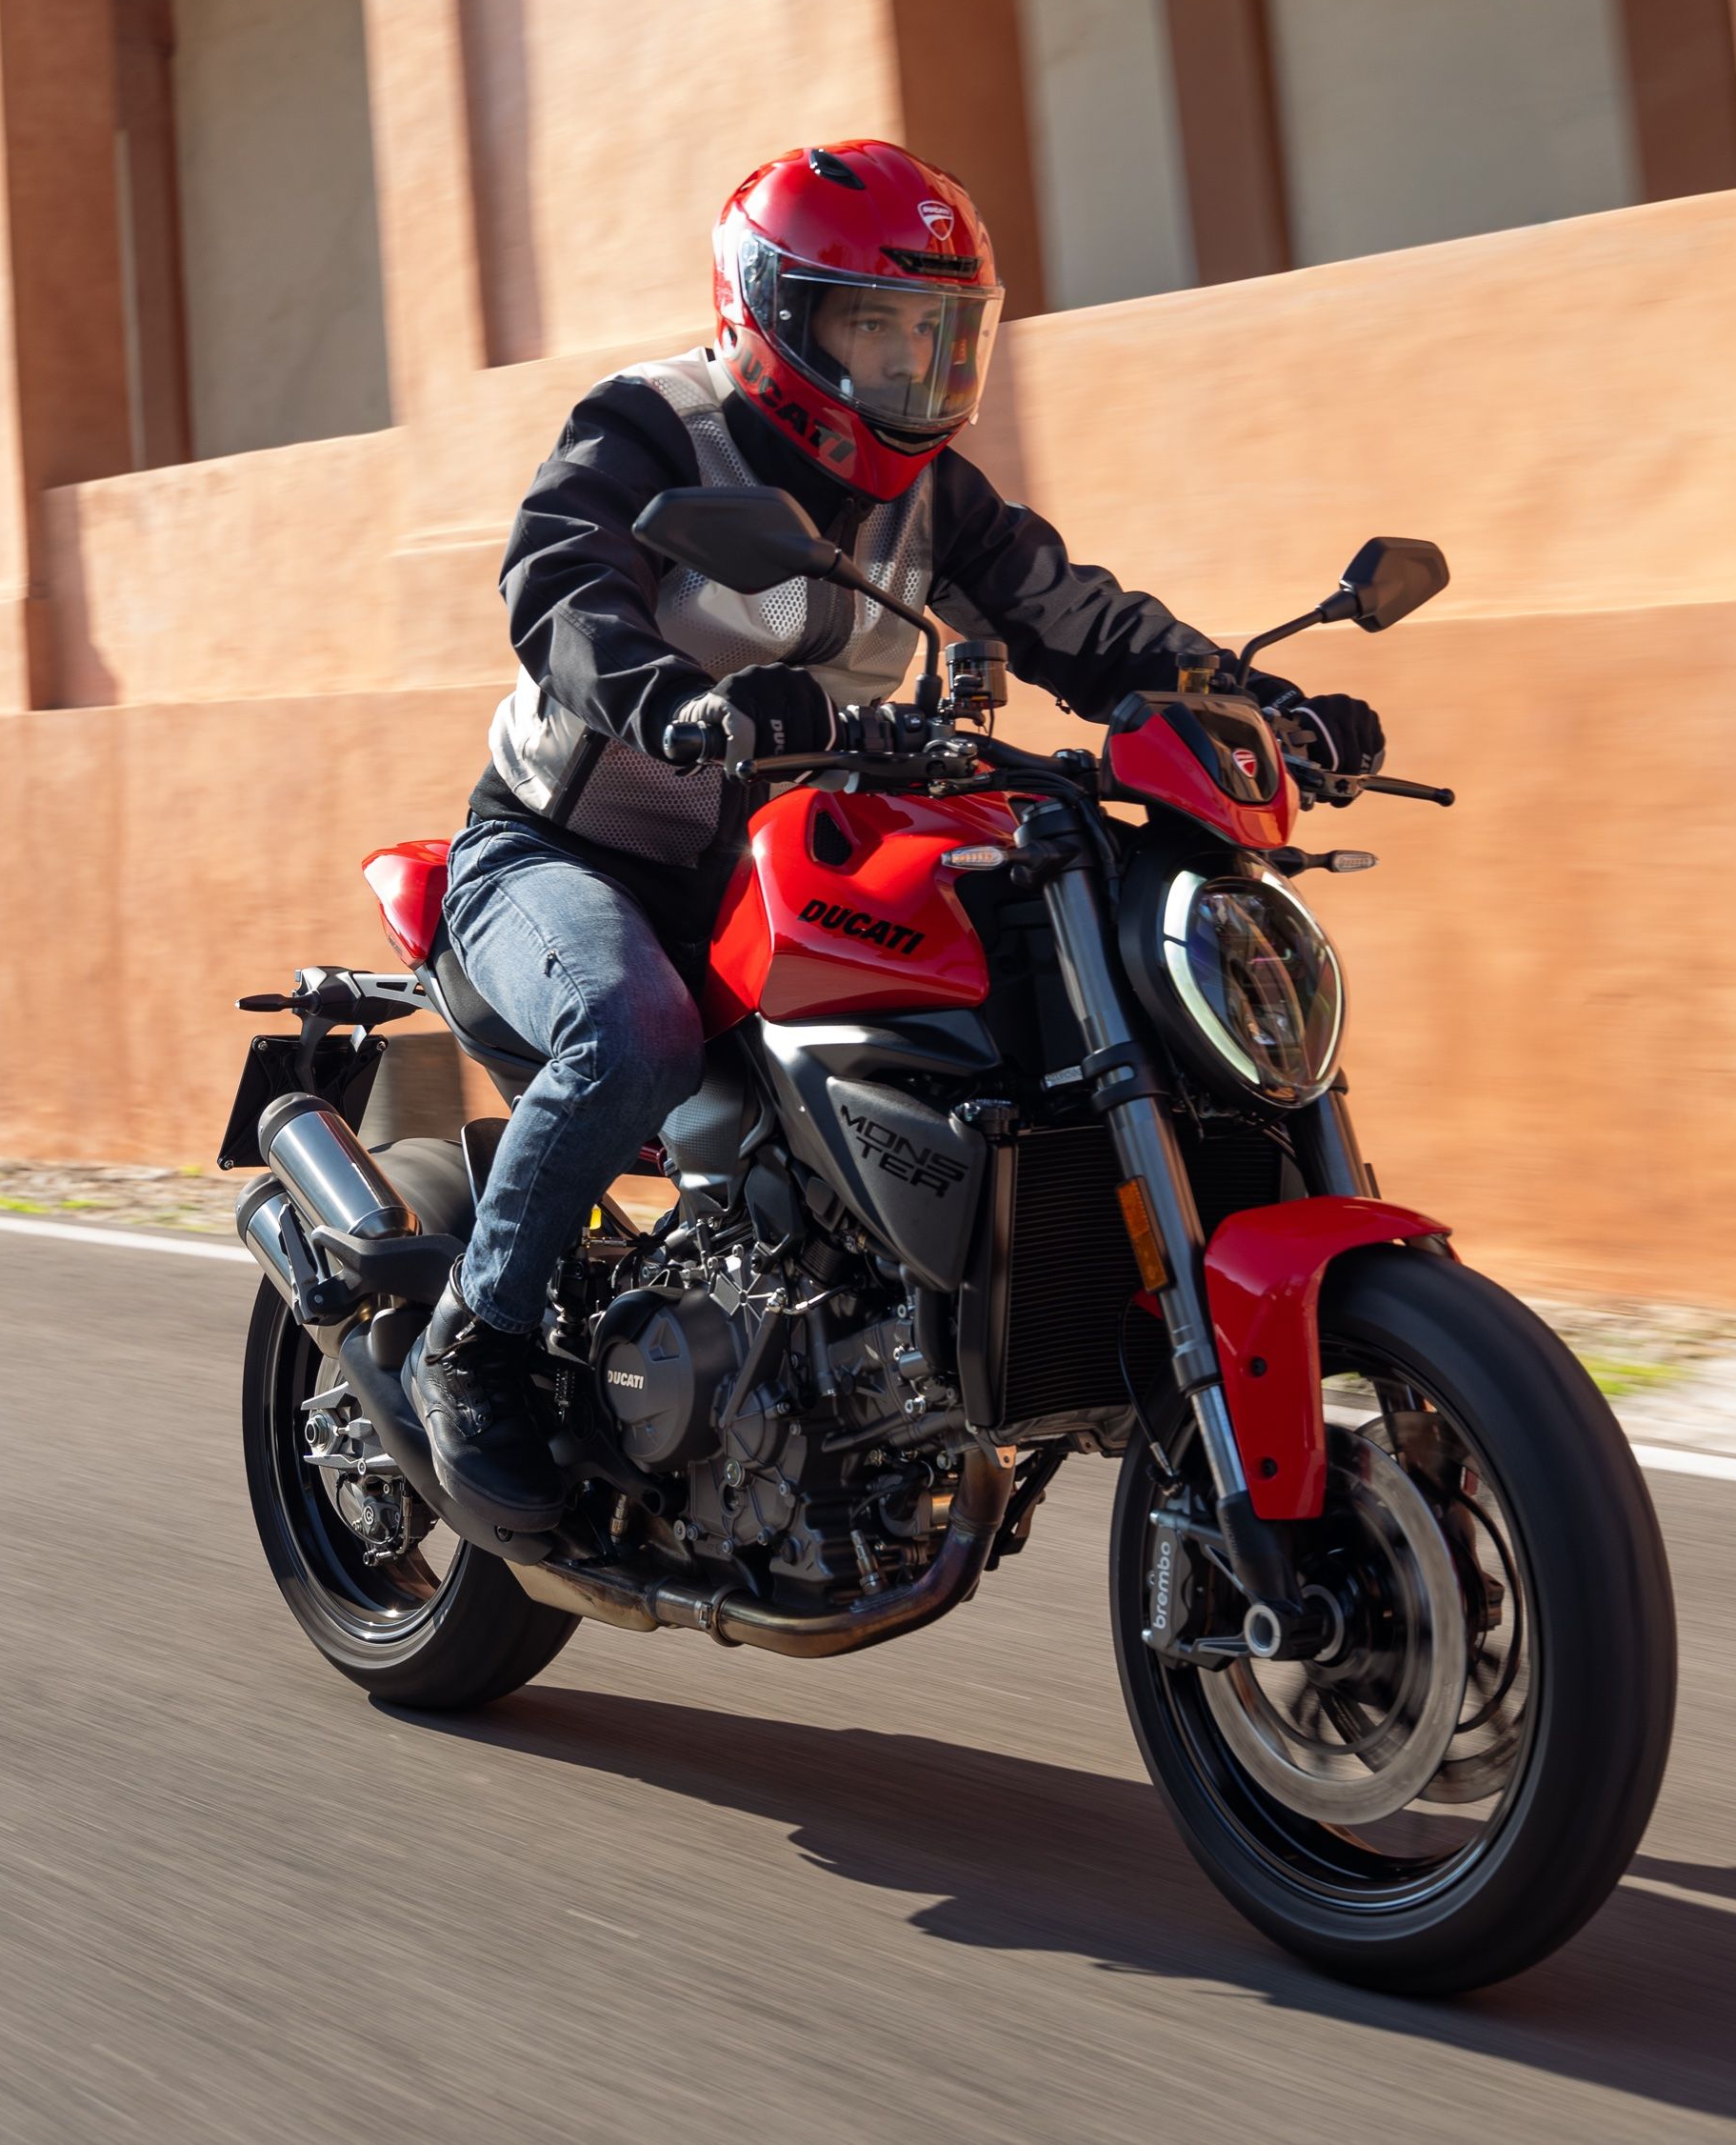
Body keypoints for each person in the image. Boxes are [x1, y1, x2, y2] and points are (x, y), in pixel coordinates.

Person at [410, 140, 1383, 1529]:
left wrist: (1260, 706)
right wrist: (680, 708)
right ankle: (480, 1348)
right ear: (775, 317)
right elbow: (560, 589)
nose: (912, 369)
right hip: (574, 855)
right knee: (632, 1030)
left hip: (788, 858)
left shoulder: (940, 498)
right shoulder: (648, 427)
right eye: (876, 328)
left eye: (939, 335)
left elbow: (1081, 621)